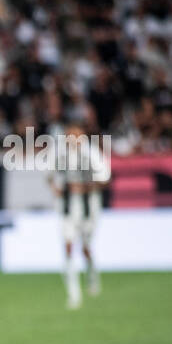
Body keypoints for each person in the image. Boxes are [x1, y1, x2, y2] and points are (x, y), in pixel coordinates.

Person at [46, 123, 110, 309]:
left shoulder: (92, 154)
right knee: (67, 246)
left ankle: (91, 274)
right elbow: (49, 175)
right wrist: (56, 189)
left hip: (88, 205)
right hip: (67, 207)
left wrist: (83, 187)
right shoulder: (59, 154)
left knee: (86, 247)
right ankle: (74, 294)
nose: (72, 141)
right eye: (69, 137)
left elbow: (105, 179)